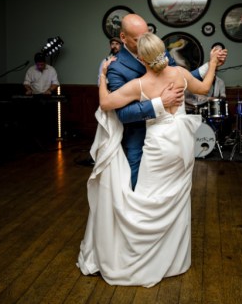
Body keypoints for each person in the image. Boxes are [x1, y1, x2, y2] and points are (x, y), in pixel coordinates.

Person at [77, 32, 221, 287]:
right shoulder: (179, 74)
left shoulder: (140, 84)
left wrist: (102, 77)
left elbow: (106, 103)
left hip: (160, 146)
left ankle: (141, 257)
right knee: (176, 198)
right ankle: (174, 260)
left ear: (142, 59)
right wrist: (212, 61)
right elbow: (205, 87)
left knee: (147, 201)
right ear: (162, 53)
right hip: (183, 143)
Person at [106, 14, 228, 190]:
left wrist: (212, 65)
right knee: (138, 184)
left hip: (174, 135)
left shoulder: (159, 54)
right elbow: (123, 114)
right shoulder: (116, 67)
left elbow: (185, 79)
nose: (143, 40)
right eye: (137, 38)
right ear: (123, 37)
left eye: (146, 34)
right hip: (140, 133)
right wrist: (159, 103)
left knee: (176, 185)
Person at [184, 42, 227, 115]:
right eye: (216, 50)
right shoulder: (185, 76)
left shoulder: (220, 82)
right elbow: (203, 89)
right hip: (195, 109)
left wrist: (214, 62)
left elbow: (223, 97)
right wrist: (213, 62)